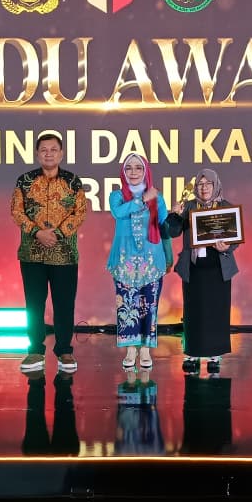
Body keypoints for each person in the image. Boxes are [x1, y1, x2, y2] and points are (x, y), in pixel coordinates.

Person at [10, 130, 87, 373]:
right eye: (44, 150)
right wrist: (37, 232)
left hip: (64, 254)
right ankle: (35, 350)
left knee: (64, 304)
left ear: (61, 153)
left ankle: (64, 350)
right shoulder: (25, 180)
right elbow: (17, 211)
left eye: (53, 150)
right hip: (32, 254)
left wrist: (58, 234)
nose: (49, 154)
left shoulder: (73, 181)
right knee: (34, 304)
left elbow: (80, 213)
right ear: (37, 154)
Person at [164, 169, 239, 374]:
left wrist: (228, 246)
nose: (204, 188)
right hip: (194, 267)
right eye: (200, 184)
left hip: (218, 267)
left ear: (216, 185)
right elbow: (172, 232)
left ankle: (215, 355)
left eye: (208, 184)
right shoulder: (189, 206)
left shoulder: (226, 207)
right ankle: (192, 353)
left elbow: (234, 238)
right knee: (193, 311)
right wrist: (174, 214)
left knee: (217, 311)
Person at [106, 152, 168, 369]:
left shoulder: (157, 197)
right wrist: (142, 199)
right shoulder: (117, 196)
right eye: (129, 168)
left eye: (138, 168)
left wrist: (175, 213)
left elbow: (164, 224)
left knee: (150, 305)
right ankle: (130, 348)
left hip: (152, 260)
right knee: (126, 305)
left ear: (145, 171)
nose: (133, 172)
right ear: (123, 172)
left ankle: (146, 349)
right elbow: (119, 213)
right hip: (125, 260)